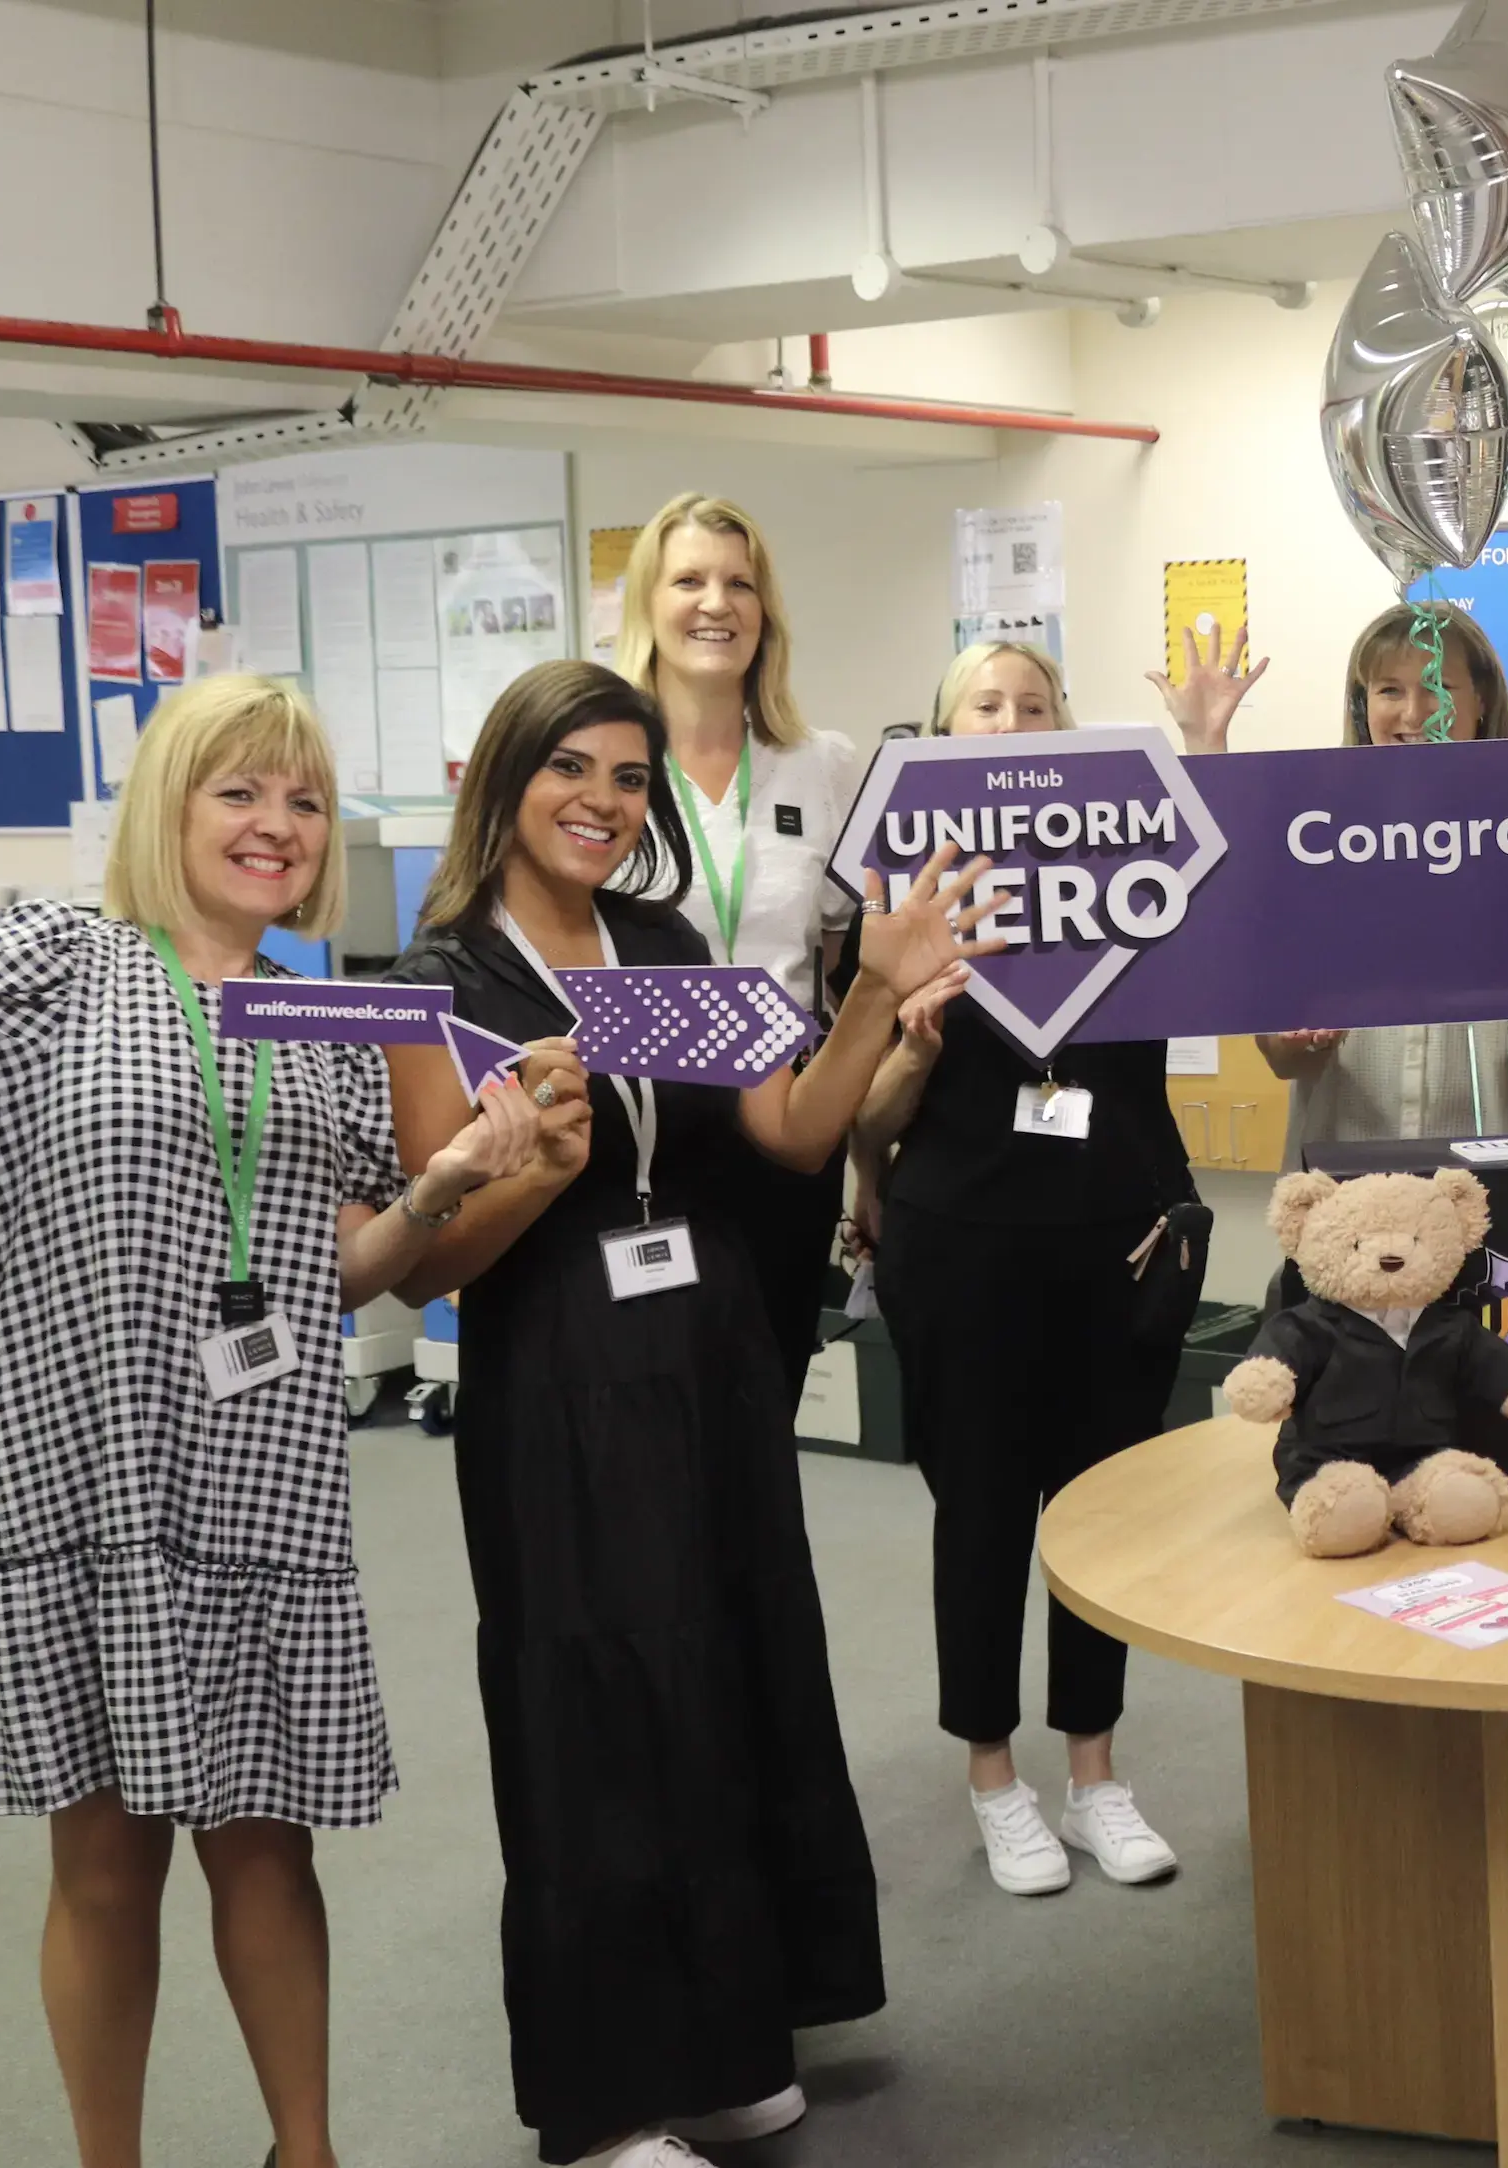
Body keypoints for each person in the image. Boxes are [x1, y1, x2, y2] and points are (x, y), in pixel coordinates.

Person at [0, 675, 543, 2168]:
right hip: (76, 1473)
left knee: (267, 1845)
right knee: (106, 1861)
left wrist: (446, 1187)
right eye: (239, 792)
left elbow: (339, 1263)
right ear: (167, 805)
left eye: (305, 801)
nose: (277, 826)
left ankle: (301, 2154)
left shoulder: (319, 1003)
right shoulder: (57, 957)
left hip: (258, 1474)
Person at [382, 660, 995, 2168]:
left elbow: (791, 1132)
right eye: (570, 769)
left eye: (629, 776)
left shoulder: (662, 939)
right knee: (595, 1712)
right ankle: (600, 2106)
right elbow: (431, 1257)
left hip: (709, 1363)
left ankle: (725, 2044)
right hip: (559, 1388)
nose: (601, 801)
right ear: (504, 782)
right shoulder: (438, 979)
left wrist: (868, 992)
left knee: (730, 1677)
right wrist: (515, 1162)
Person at [852, 642, 1202, 1899]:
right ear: (939, 738)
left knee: (1104, 1516)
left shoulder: (1128, 871)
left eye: (1035, 706)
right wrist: (906, 1042)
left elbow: (1225, 873)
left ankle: (1095, 1773)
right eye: (983, 708)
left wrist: (1202, 741)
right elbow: (866, 1118)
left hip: (1115, 1237)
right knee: (986, 1511)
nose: (1011, 724)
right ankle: (994, 1779)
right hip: (960, 1238)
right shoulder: (903, 883)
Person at [614, 491, 869, 1426]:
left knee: (765, 1404)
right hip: (646, 1126)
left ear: (766, 614)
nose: (715, 603)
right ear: (648, 603)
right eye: (688, 580)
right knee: (655, 1405)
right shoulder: (606, 763)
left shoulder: (821, 762)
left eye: (739, 584)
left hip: (786, 1121)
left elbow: (840, 949)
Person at [1253, 602, 1508, 1165]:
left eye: (1438, 686)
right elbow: (1280, 1058)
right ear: (1363, 706)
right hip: (1351, 1191)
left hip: (1504, 1186)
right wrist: (1296, 1042)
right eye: (1389, 689)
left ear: (1481, 701)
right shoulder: (1311, 843)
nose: (1415, 712)